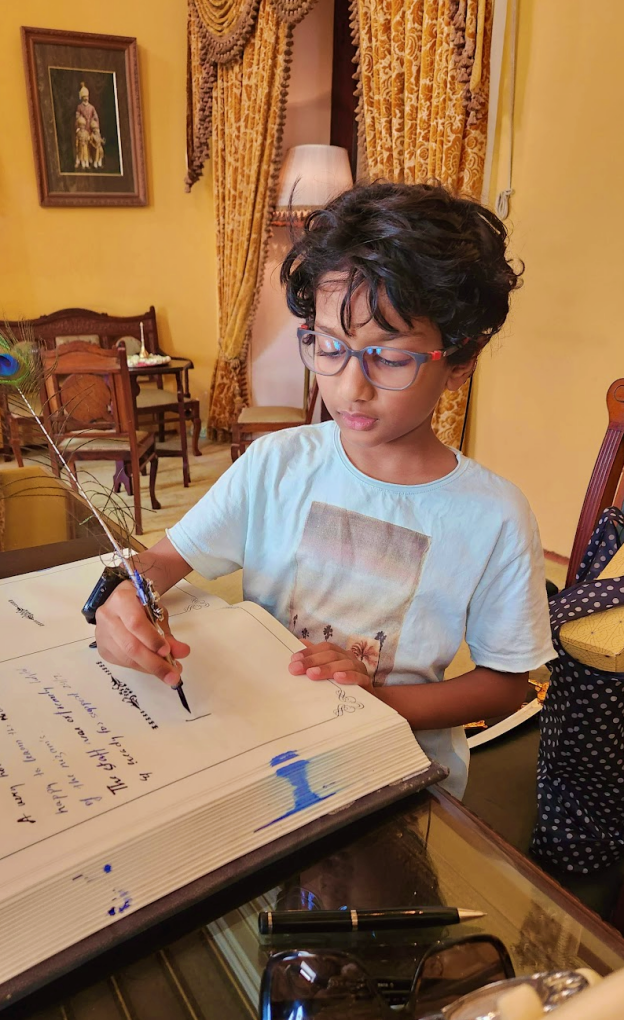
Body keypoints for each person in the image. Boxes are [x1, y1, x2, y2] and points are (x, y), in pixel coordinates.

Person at [95, 181, 554, 797]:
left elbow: (508, 685)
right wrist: (122, 597)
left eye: (389, 358)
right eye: (330, 347)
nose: (348, 389)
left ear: (462, 360)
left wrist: (375, 698)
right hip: (257, 747)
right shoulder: (277, 464)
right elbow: (162, 562)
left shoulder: (494, 515)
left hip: (395, 774)